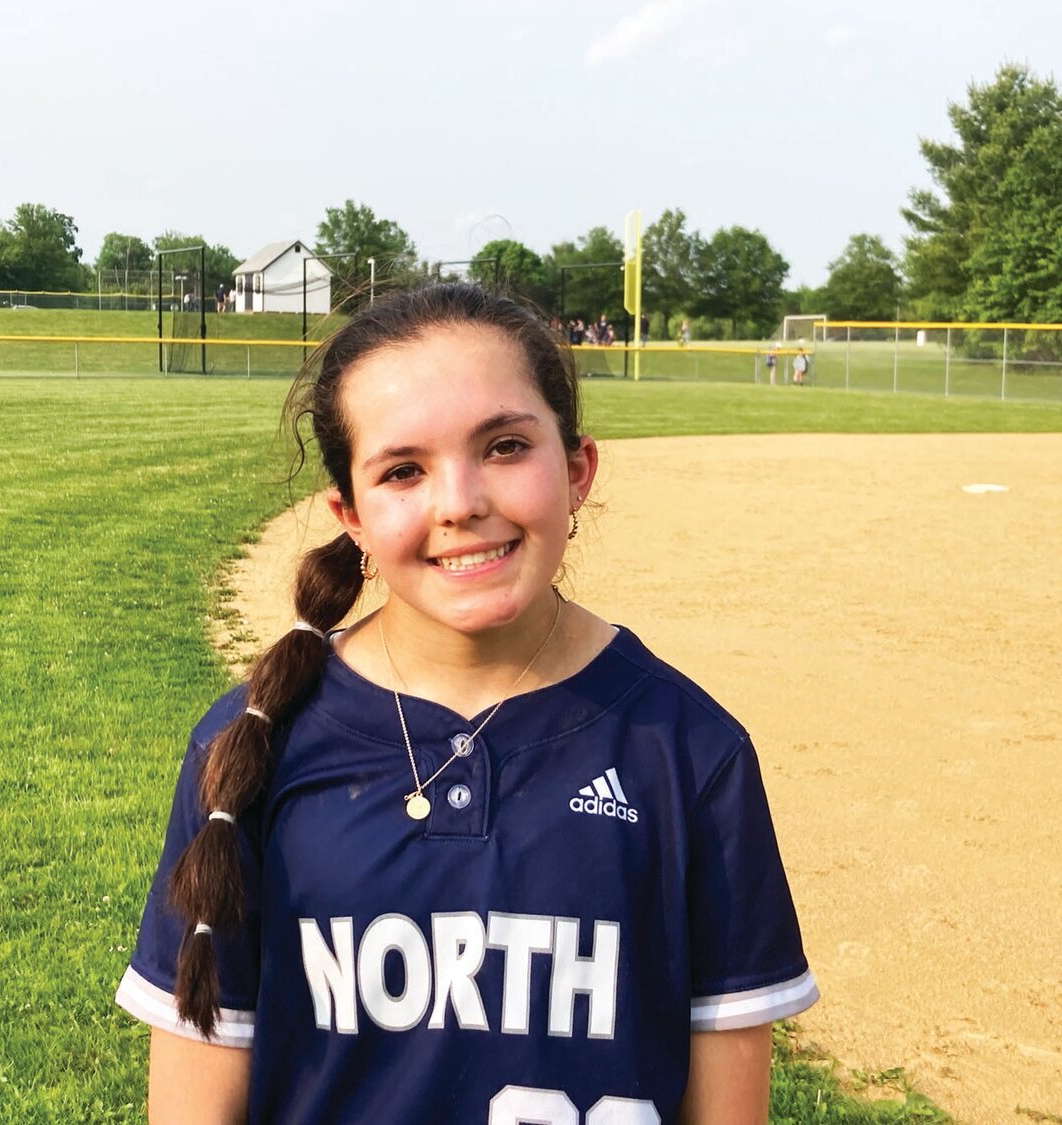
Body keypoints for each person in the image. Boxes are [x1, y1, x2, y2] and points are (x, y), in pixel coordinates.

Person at [116, 283, 817, 1124]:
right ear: (353, 517)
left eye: (506, 446)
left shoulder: (688, 752)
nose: (460, 502)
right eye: (403, 470)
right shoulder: (251, 748)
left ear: (578, 469)